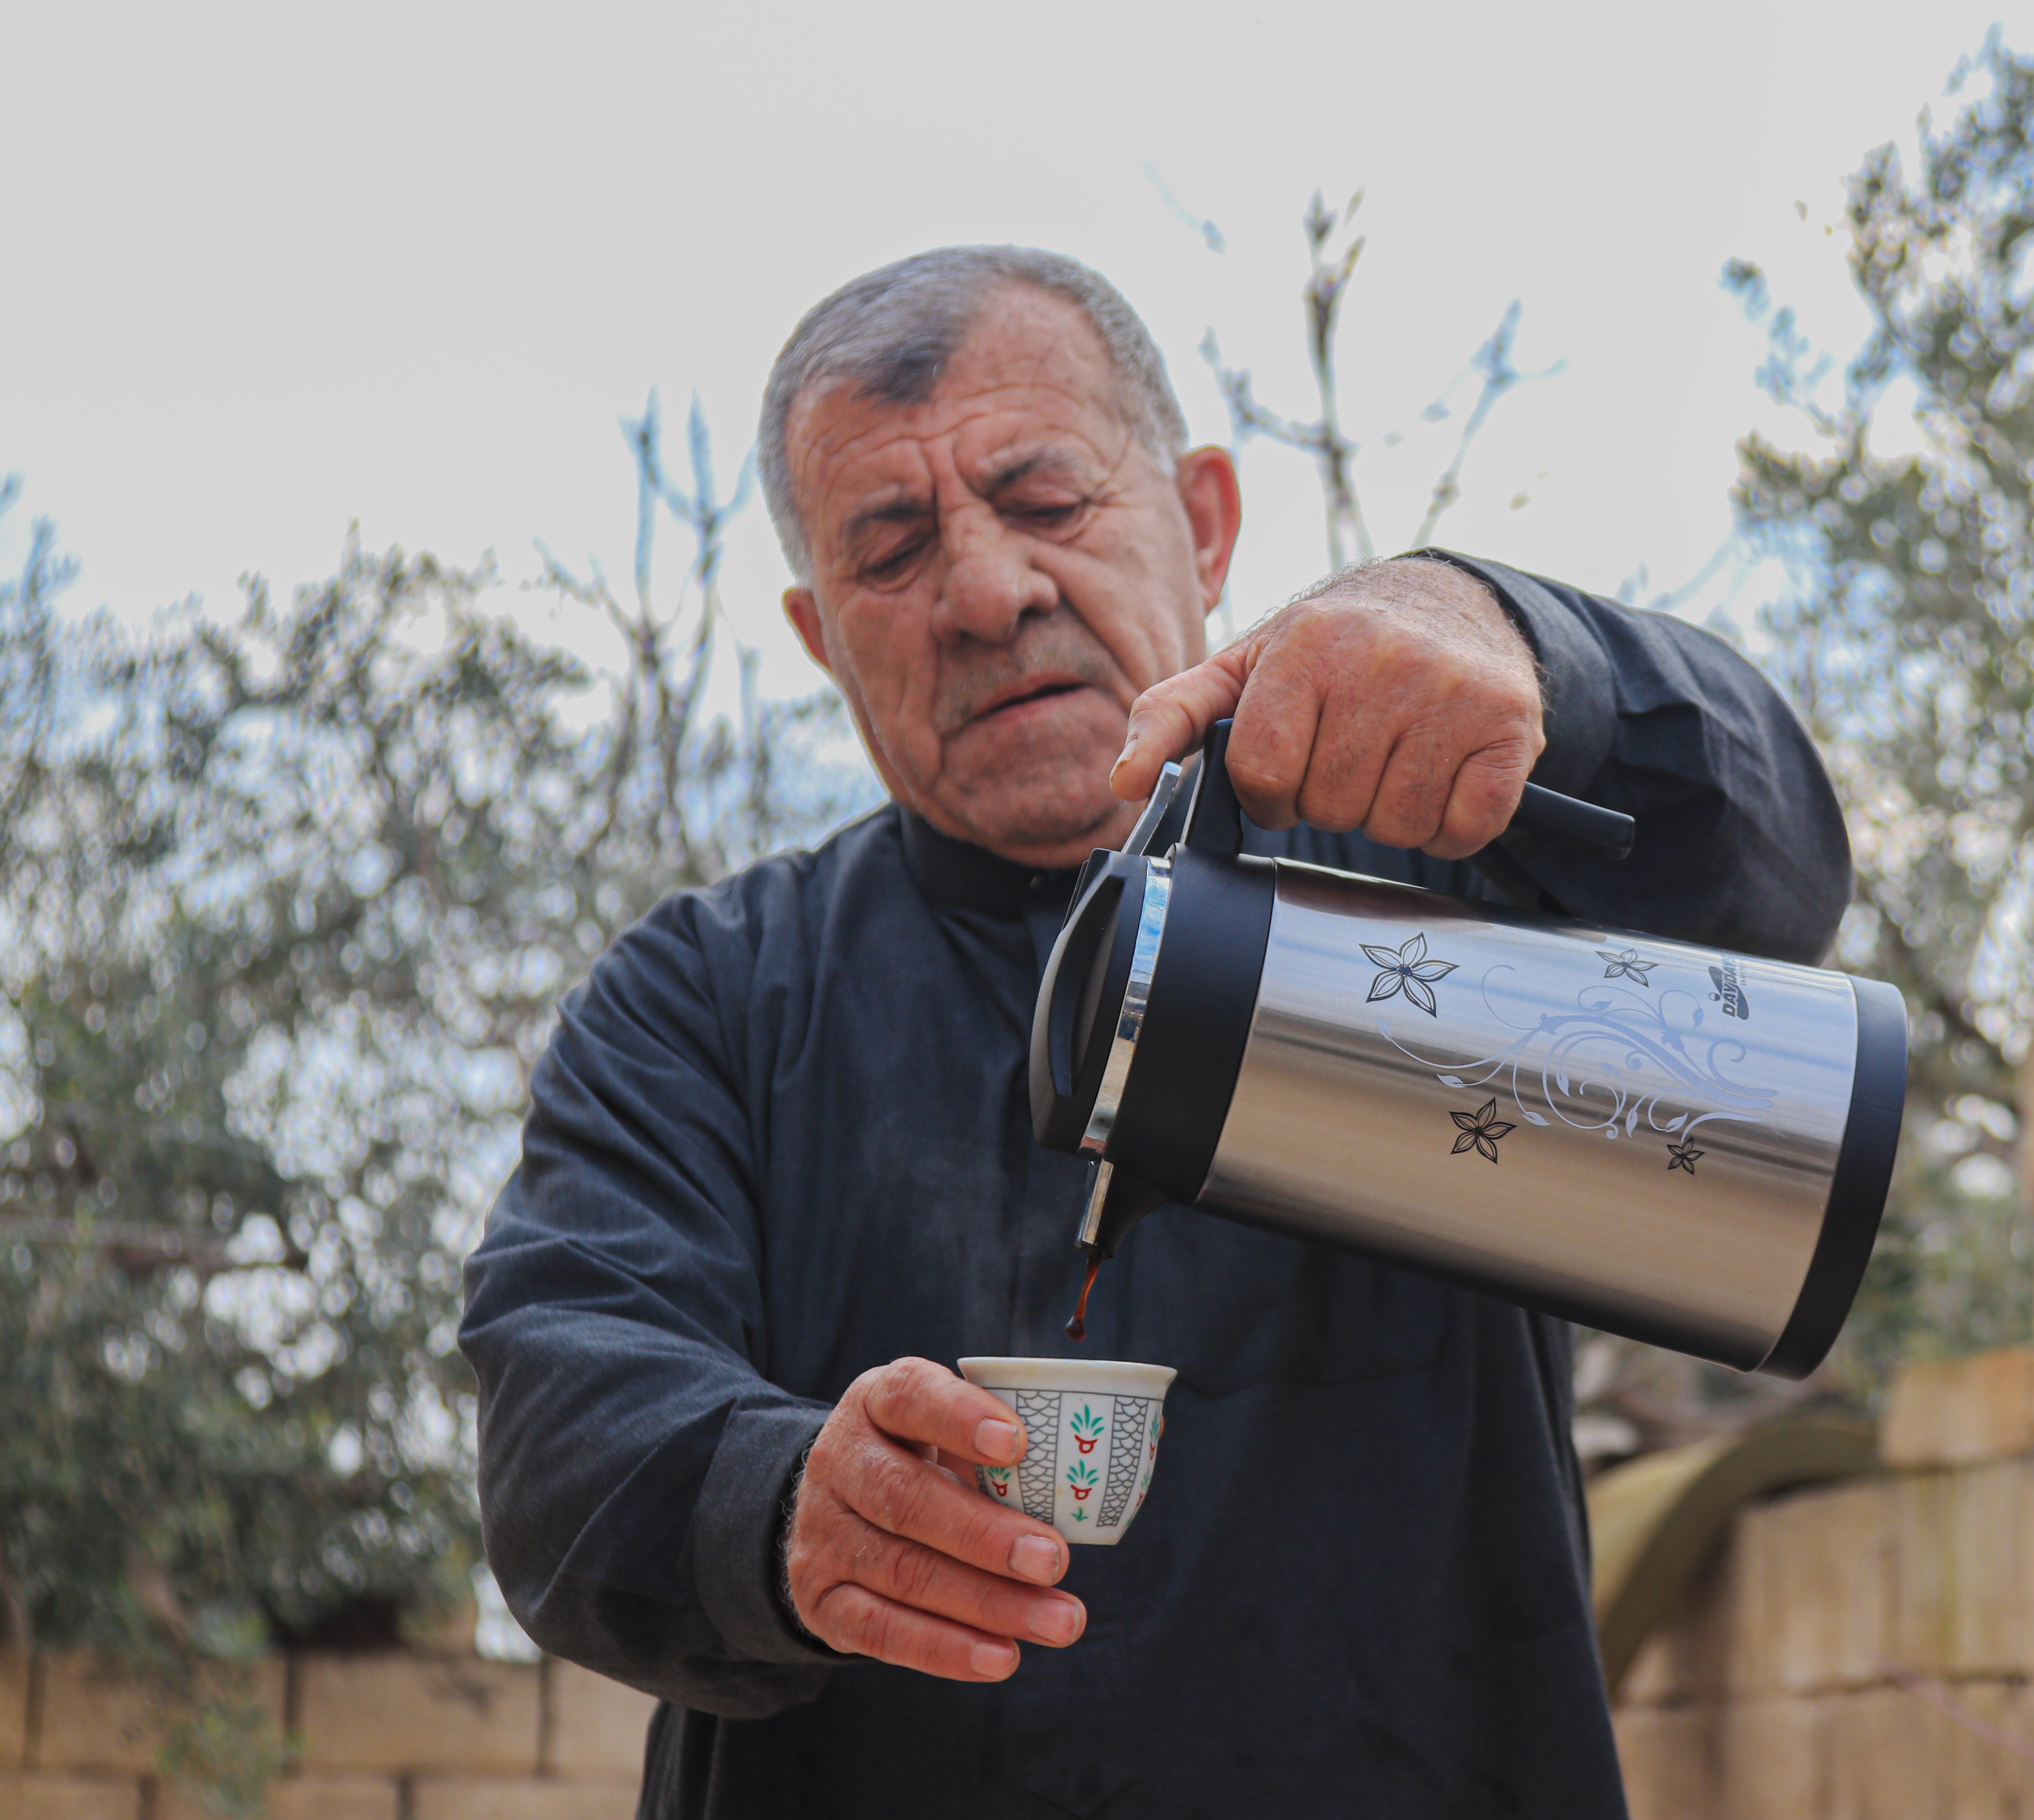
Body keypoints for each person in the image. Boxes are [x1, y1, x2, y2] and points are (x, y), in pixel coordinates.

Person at [460, 245, 1851, 1819]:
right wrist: (778, 1507)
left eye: (1046, 502)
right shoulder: (705, 999)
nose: (988, 592)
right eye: (893, 548)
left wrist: (1515, 637)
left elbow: (1779, 867)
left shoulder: (1449, 859)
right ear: (816, 632)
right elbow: (567, 1423)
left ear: (1203, 520)